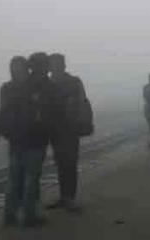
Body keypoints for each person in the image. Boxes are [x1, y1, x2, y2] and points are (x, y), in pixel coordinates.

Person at [0, 53, 54, 228]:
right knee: (30, 179)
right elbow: (44, 113)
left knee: (14, 179)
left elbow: (3, 111)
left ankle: (10, 216)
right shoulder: (35, 87)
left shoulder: (7, 87)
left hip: (15, 140)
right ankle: (29, 216)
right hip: (34, 139)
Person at [47, 53, 88, 212]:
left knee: (70, 163)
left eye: (57, 64)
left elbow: (82, 102)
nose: (55, 67)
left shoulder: (73, 82)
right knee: (60, 163)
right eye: (53, 64)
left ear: (63, 65)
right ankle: (64, 197)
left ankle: (69, 197)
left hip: (71, 128)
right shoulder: (48, 84)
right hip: (55, 129)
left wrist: (82, 122)